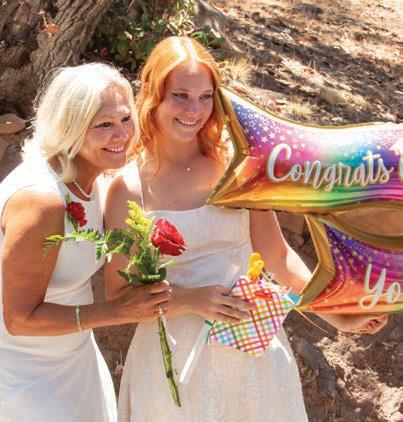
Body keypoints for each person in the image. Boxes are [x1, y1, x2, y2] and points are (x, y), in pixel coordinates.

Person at [105, 37, 389, 421]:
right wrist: (189, 299)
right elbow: (118, 297)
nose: (194, 110)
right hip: (172, 361)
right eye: (181, 96)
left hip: (252, 351)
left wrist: (338, 313)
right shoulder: (127, 188)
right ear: (154, 95)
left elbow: (279, 257)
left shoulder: (238, 169)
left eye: (205, 97)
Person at [0, 63, 172, 422]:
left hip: (75, 359)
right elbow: (18, 319)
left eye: (125, 118)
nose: (121, 134)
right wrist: (117, 311)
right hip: (21, 376)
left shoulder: (97, 181)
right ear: (71, 127)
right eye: (103, 125)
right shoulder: (42, 201)